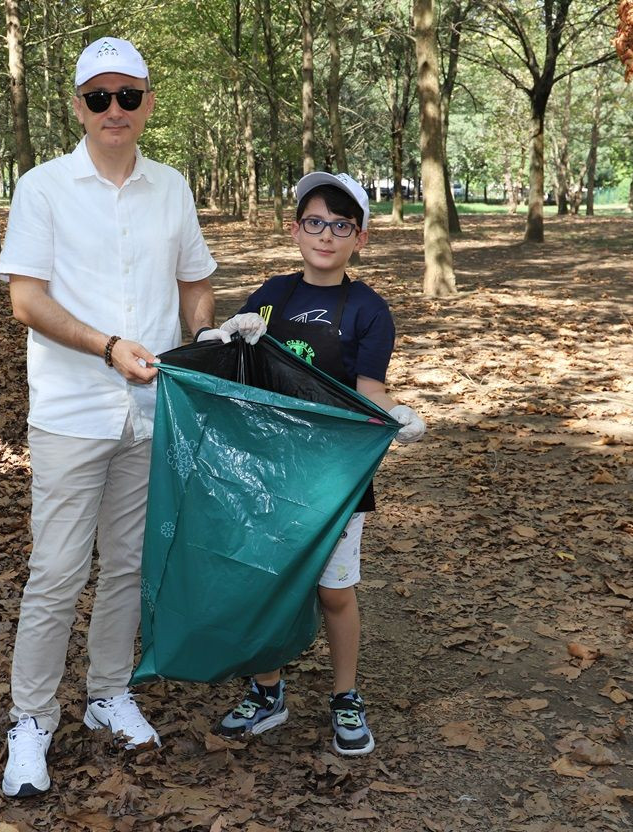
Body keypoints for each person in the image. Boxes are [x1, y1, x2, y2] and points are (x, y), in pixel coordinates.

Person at [0, 36, 250, 798]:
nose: (114, 110)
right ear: (78, 105)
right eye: (99, 97)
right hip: (73, 411)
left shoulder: (170, 187)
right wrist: (106, 346)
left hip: (152, 409)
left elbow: (196, 280)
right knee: (58, 572)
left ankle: (108, 693)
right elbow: (26, 299)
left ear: (148, 103)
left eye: (128, 96)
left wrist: (197, 335)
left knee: (130, 566)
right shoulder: (43, 187)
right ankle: (32, 720)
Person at [208, 172, 426, 756]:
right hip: (270, 468)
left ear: (360, 238)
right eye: (314, 222)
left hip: (335, 474)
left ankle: (346, 696)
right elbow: (232, 358)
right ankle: (268, 691)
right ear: (295, 228)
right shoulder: (273, 294)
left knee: (333, 591)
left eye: (340, 225)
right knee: (270, 584)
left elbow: (369, 390)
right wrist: (227, 333)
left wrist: (395, 414)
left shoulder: (369, 310)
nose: (325, 235)